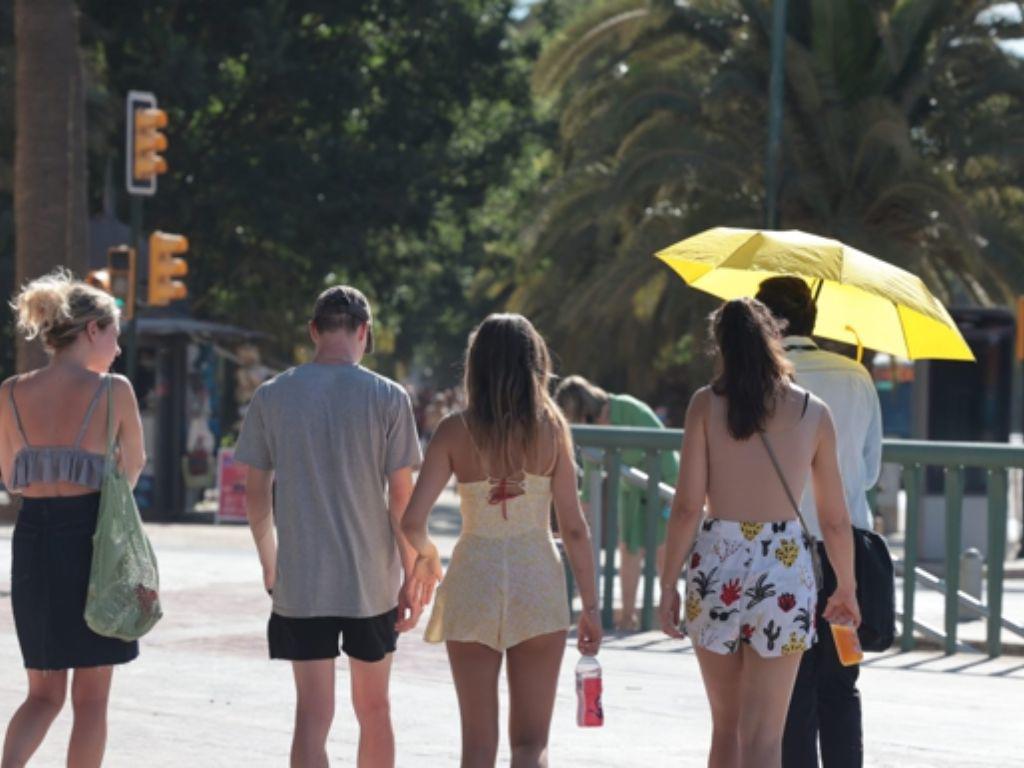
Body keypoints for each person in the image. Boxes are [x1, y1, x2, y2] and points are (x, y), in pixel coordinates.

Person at [659, 298, 860, 768]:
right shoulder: (813, 411)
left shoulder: (705, 405)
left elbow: (687, 507)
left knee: (725, 730)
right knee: (765, 737)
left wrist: (667, 583)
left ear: (721, 346)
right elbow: (834, 519)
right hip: (784, 568)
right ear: (773, 338)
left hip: (716, 562)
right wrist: (846, 586)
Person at [402, 313, 602, 768]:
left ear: (476, 365)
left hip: (474, 579)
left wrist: (429, 558)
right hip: (537, 581)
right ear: (536, 363)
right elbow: (574, 528)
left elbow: (413, 521)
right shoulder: (552, 428)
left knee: (477, 747)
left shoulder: (454, 430)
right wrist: (590, 607)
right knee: (531, 744)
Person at [234, 285, 422, 768]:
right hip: (370, 582)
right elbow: (402, 499)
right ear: (364, 332)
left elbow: (256, 497)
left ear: (314, 331)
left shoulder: (272, 395)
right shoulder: (389, 397)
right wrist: (410, 573)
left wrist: (270, 563)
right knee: (374, 709)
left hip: (302, 579)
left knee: (312, 714)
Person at [0, 270, 145, 768]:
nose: (117, 349)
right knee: (91, 700)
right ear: (91, 330)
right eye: (114, 335)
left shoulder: (10, 393)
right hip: (93, 543)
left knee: (42, 695)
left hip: (34, 540)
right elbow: (133, 466)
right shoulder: (114, 390)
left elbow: (11, 477)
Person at [755, 276, 883, 768]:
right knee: (841, 683)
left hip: (778, 549)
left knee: (788, 689)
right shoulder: (855, 375)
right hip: (844, 549)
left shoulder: (760, 383)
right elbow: (869, 471)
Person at [555, 375, 679, 630]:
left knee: (663, 555)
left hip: (663, 486)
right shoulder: (591, 434)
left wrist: (671, 497)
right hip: (631, 493)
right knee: (628, 552)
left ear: (582, 410)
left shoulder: (626, 408)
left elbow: (665, 452)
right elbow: (588, 490)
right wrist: (570, 522)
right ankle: (627, 618)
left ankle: (672, 618)